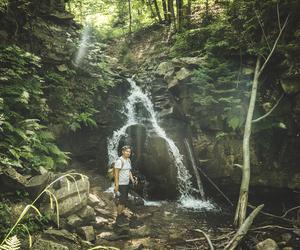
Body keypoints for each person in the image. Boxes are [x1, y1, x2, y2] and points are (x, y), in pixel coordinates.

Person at [114, 145, 137, 226]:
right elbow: (116, 174)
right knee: (121, 201)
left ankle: (121, 215)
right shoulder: (119, 161)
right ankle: (118, 218)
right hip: (121, 184)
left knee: (123, 200)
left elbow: (129, 171)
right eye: (126, 151)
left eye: (129, 152)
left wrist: (132, 179)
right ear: (123, 152)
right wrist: (116, 185)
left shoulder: (128, 160)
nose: (128, 153)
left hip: (126, 183)